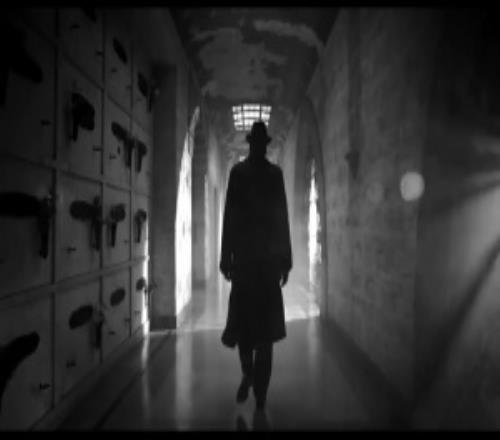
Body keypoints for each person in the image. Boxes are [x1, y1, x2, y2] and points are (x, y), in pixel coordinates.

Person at [219, 120, 292, 412]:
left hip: (247, 263)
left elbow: (230, 218)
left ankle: (251, 378)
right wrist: (285, 261)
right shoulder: (274, 175)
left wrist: (227, 257)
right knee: (264, 333)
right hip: (265, 264)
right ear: (261, 144)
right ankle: (259, 389)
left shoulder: (239, 173)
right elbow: (281, 219)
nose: (259, 147)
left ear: (253, 144)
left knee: (245, 329)